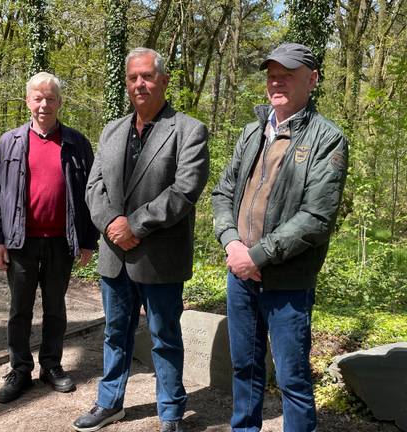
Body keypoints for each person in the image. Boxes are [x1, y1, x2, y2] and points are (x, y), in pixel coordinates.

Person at [211, 43, 349, 432]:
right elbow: (223, 193)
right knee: (245, 366)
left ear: (312, 79)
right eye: (272, 74)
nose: (277, 81)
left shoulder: (328, 139)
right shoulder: (253, 132)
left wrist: (258, 256)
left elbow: (316, 217)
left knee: (292, 378)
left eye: (287, 74)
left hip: (287, 281)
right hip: (240, 274)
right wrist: (232, 243)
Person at [73, 47, 210, 432]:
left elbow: (184, 191)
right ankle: (109, 402)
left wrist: (134, 225)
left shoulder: (189, 130)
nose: (139, 84)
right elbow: (93, 186)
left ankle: (170, 413)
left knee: (165, 337)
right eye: (133, 77)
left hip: (160, 258)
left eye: (147, 76)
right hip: (114, 254)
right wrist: (112, 225)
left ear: (163, 81)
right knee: (115, 333)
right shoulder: (111, 130)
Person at [0, 72, 98, 404]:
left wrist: (89, 240)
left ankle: (51, 366)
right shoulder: (10, 141)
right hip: (20, 241)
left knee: (55, 308)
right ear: (28, 101)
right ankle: (20, 369)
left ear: (60, 102)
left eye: (50, 98)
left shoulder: (77, 143)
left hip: (61, 241)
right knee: (19, 310)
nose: (44, 104)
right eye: (38, 97)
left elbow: (92, 194)